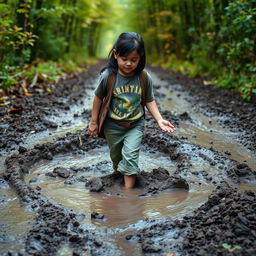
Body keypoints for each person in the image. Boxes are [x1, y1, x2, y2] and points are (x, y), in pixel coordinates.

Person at [88, 32, 176, 189]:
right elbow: (97, 98)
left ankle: (128, 195)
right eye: (124, 59)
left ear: (140, 58)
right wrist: (94, 122)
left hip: (135, 125)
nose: (128, 63)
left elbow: (149, 99)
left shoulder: (143, 77)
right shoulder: (108, 76)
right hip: (112, 125)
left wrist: (159, 119)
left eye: (134, 60)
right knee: (116, 158)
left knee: (130, 157)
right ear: (116, 54)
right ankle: (117, 174)